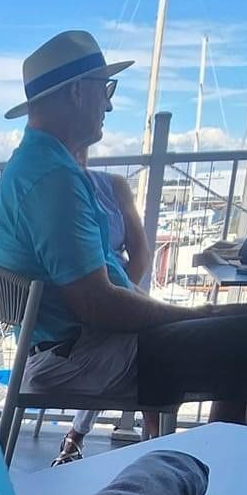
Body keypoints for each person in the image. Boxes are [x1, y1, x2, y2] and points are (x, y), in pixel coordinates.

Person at [0, 30, 247, 440]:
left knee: (240, 330)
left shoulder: (33, 164)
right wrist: (198, 315)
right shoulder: (54, 179)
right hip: (80, 356)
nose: (108, 104)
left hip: (66, 346)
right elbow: (97, 305)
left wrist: (201, 317)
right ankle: (216, 462)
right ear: (78, 92)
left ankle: (213, 458)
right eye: (105, 89)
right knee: (244, 342)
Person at [52, 148, 156, 464]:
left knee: (145, 339)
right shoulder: (49, 190)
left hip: (117, 290)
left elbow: (141, 253)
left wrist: (118, 294)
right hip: (74, 308)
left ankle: (80, 435)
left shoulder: (114, 186)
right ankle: (156, 442)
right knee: (156, 347)